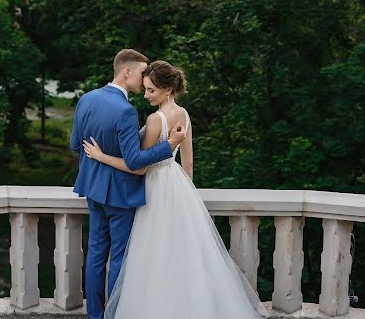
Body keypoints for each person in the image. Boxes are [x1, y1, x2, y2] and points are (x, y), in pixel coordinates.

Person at [83, 60, 270, 319]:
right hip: (177, 184)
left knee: (149, 253)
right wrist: (187, 195)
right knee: (180, 253)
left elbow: (138, 167)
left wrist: (101, 156)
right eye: (146, 89)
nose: (146, 95)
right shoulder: (184, 114)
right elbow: (189, 161)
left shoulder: (154, 120)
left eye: (151, 90)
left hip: (154, 187)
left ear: (167, 90)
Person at [70, 50, 186, 319]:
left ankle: (95, 315)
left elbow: (76, 144)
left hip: (92, 189)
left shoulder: (87, 99)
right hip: (120, 193)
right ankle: (114, 314)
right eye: (143, 71)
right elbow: (134, 162)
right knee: (120, 257)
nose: (145, 78)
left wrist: (98, 155)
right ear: (127, 72)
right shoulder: (125, 111)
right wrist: (169, 145)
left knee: (97, 253)